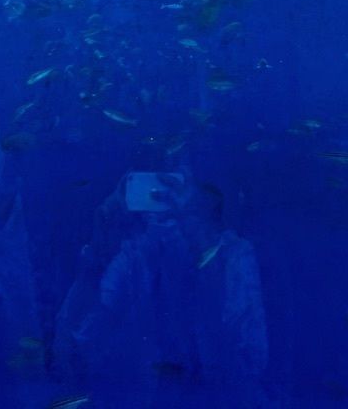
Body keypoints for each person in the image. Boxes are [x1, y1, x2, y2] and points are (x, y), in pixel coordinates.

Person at [53, 166, 271, 408]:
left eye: (178, 185)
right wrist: (100, 248)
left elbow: (248, 365)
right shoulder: (133, 256)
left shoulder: (234, 255)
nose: (165, 196)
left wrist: (201, 248)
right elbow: (70, 357)